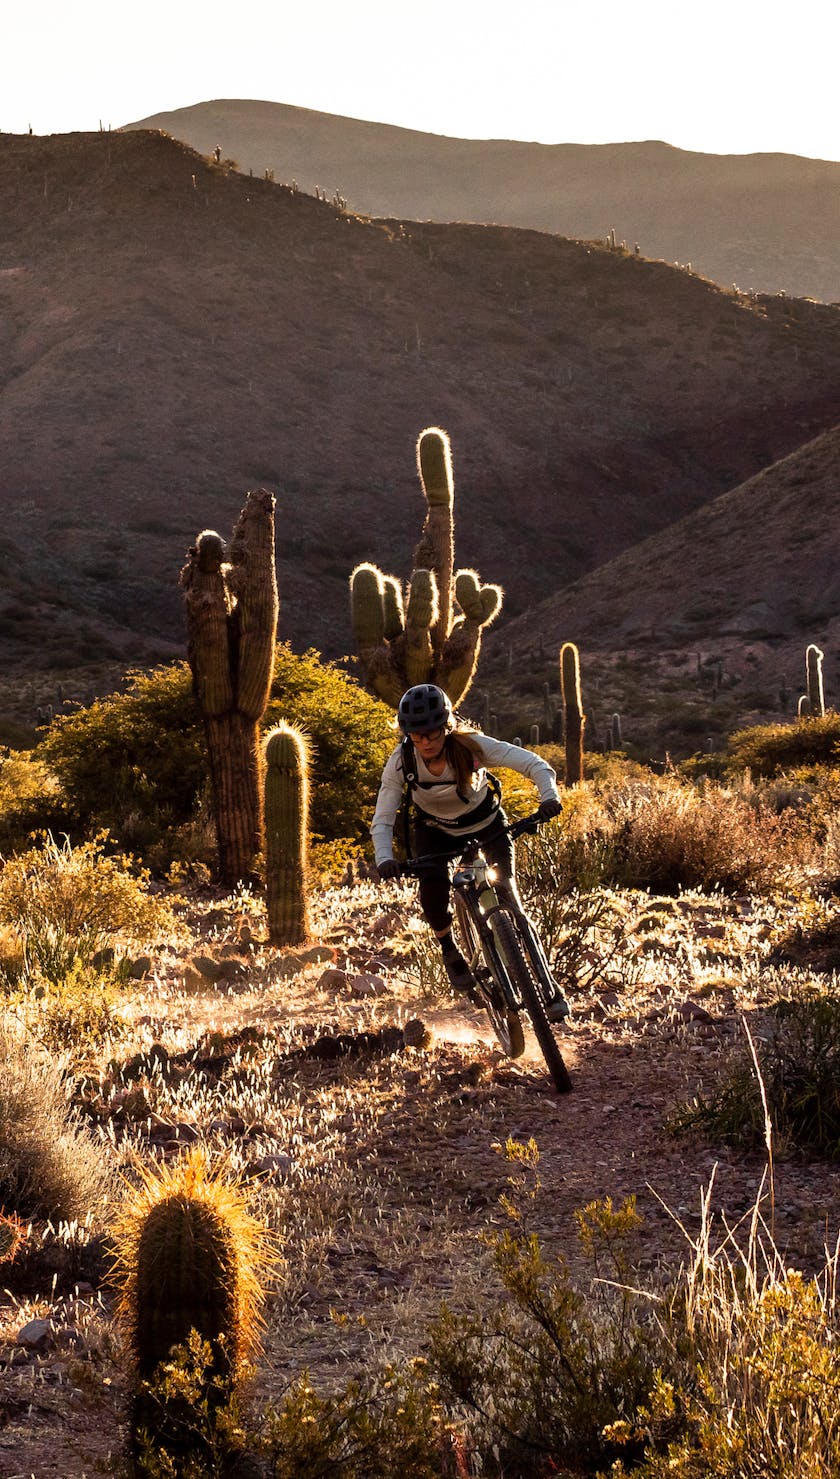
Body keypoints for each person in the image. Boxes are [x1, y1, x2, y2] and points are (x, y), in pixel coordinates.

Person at [371, 683, 564, 1004]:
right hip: (436, 831)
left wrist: (549, 797)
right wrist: (383, 858)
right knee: (432, 897)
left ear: (446, 727)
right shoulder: (401, 761)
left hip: (487, 823)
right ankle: (449, 950)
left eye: (431, 734)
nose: (425, 742)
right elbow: (384, 817)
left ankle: (548, 987)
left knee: (509, 898)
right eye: (416, 736)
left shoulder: (472, 746)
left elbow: (534, 764)